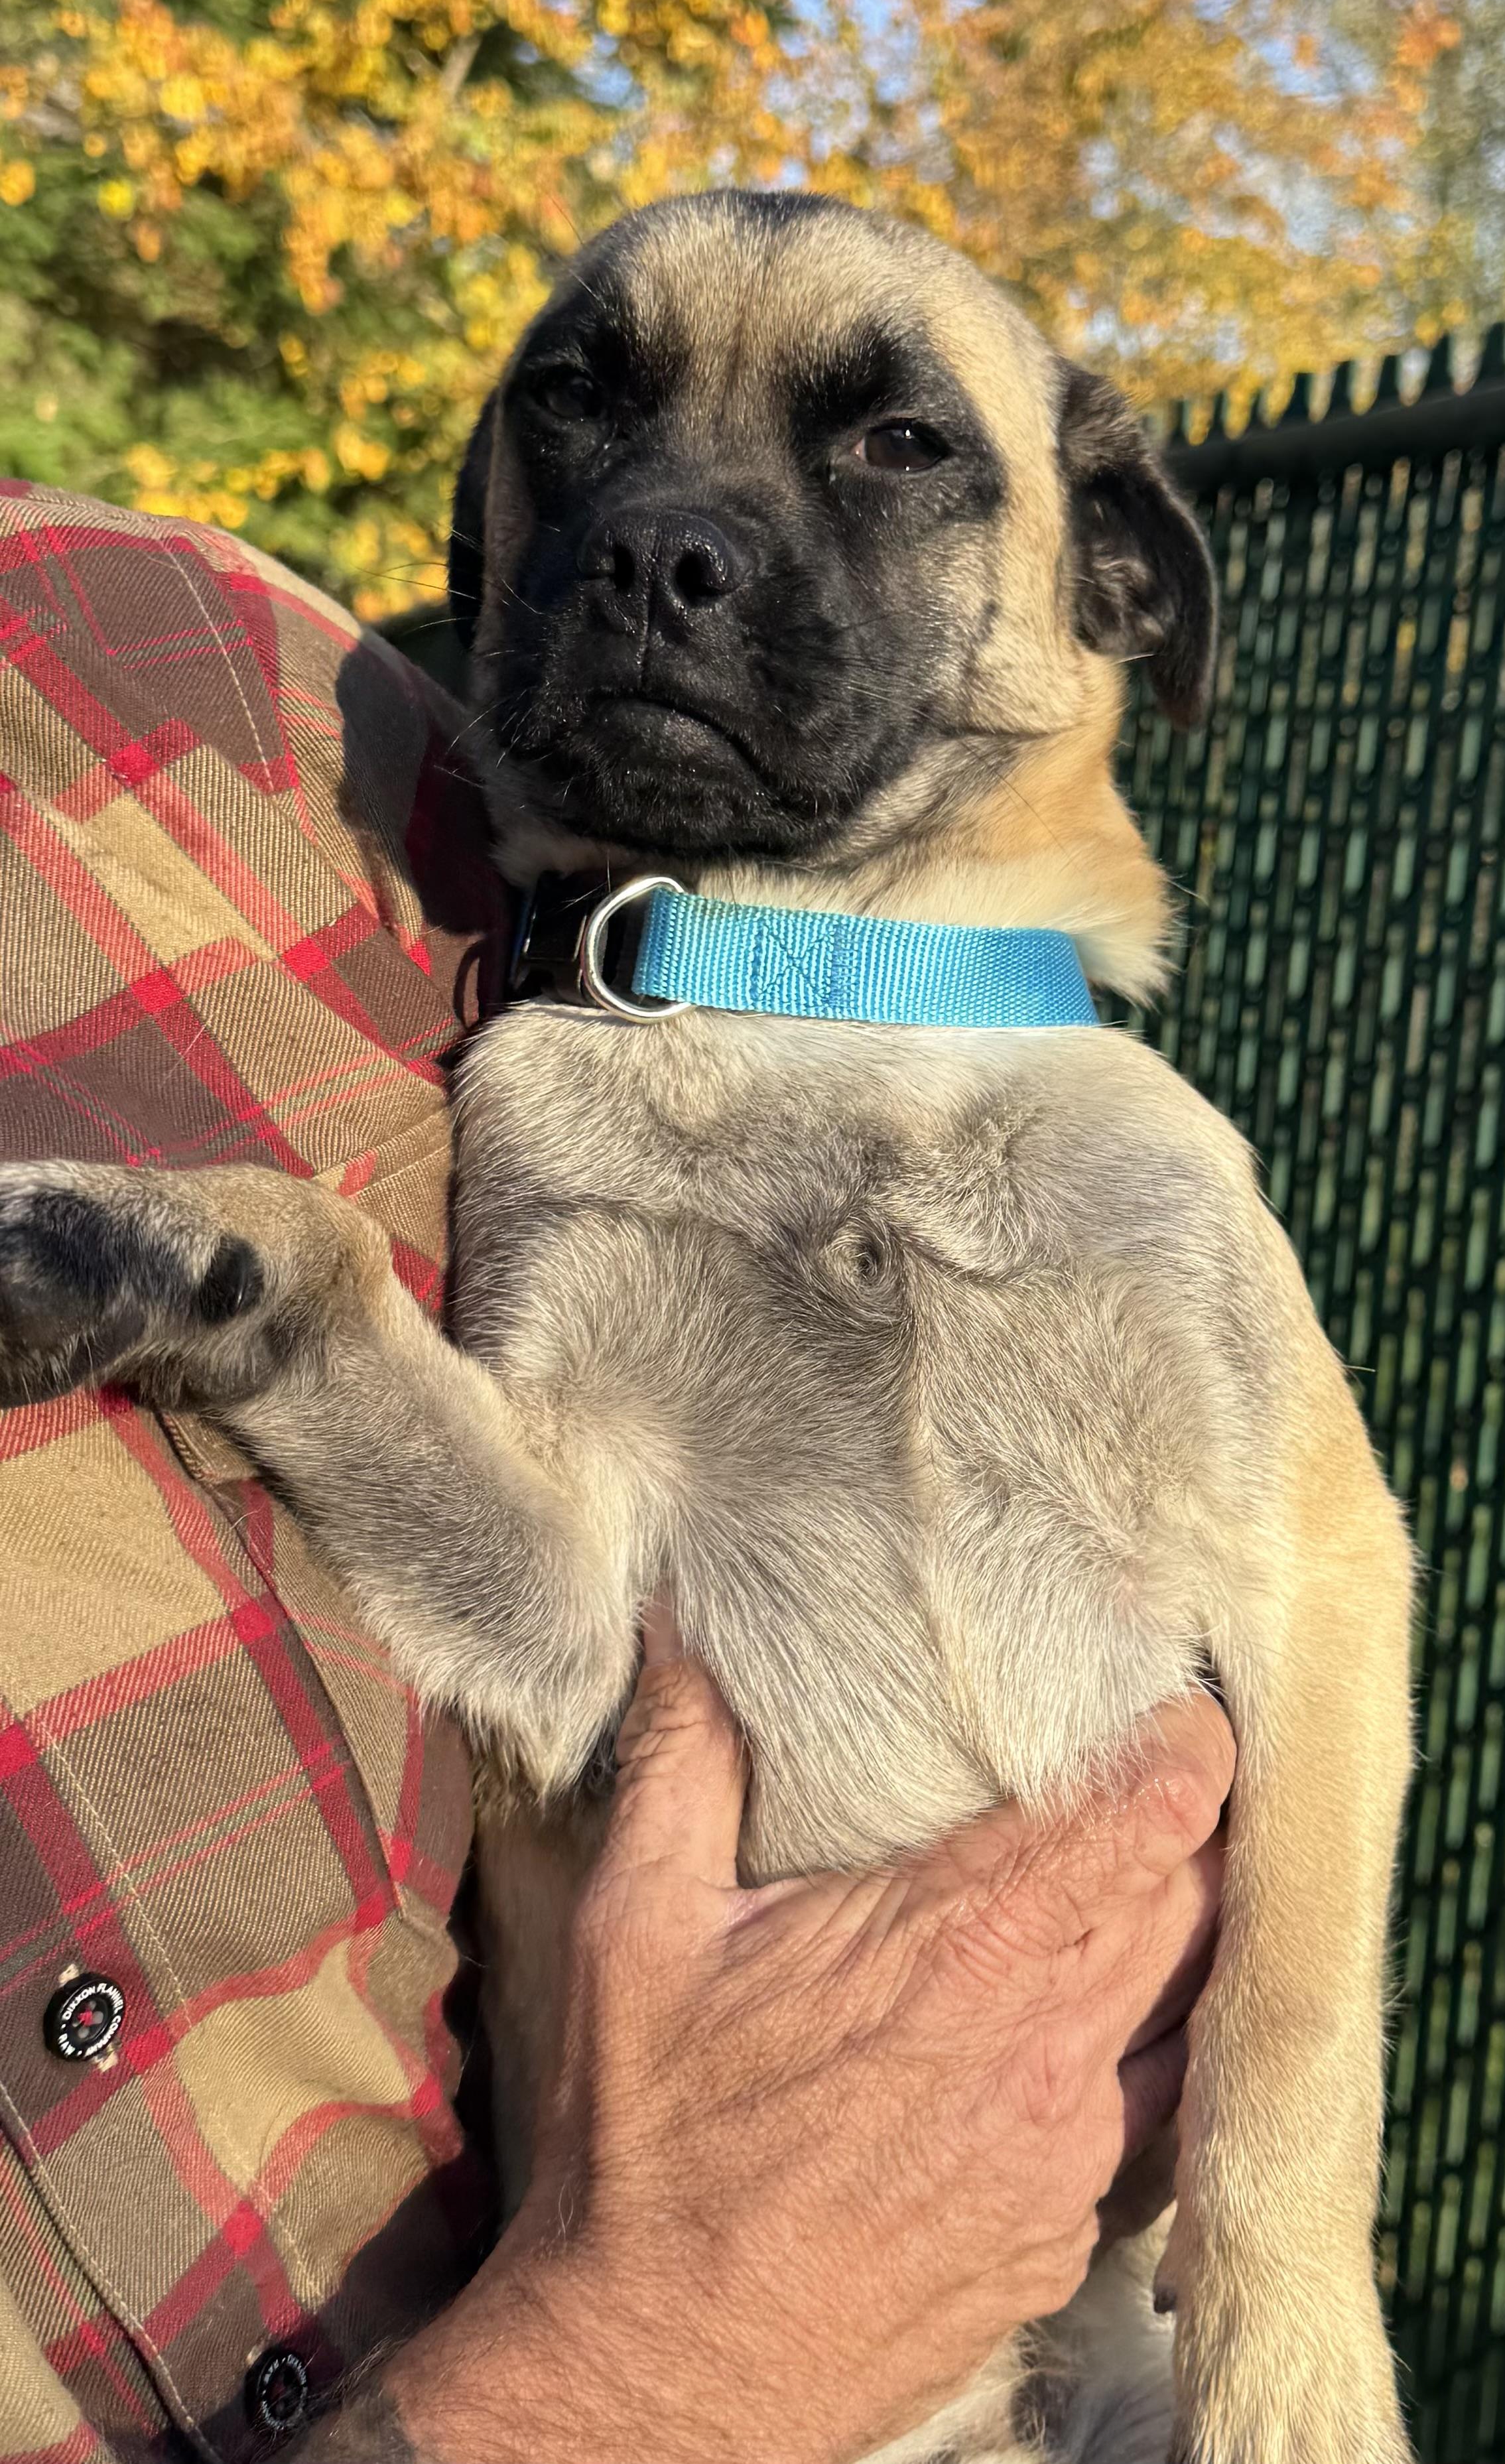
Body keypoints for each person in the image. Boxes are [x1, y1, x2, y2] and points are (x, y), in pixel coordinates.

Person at [0, 488, 1233, 2464]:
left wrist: (1290, 2233)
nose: (676, 534)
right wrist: (654, 2364)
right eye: (590, 405)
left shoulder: (213, 675)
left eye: (893, 450)